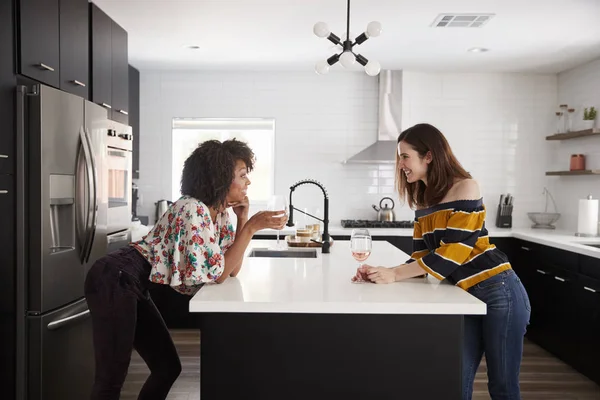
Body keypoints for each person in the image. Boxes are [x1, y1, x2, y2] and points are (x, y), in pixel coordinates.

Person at [84, 139, 287, 400]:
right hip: (115, 276)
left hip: (134, 281)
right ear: (221, 178)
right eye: (242, 176)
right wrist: (250, 229)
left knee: (167, 367)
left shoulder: (220, 213)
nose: (248, 182)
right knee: (111, 380)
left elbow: (231, 269)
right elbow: (220, 273)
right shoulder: (193, 209)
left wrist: (244, 219)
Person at [351, 123, 531, 400]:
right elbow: (422, 260)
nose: (400, 165)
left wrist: (395, 275)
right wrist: (379, 273)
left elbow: (453, 253)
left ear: (429, 156)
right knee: (455, 382)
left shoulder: (466, 187)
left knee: (503, 386)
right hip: (464, 295)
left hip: (500, 291)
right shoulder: (423, 202)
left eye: (405, 156)